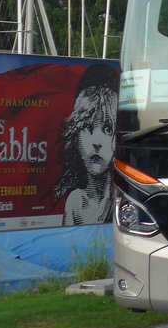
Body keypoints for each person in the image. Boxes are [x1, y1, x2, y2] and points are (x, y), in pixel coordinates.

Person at [51, 63, 118, 224]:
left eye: (108, 129)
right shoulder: (75, 202)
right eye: (87, 127)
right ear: (75, 134)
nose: (97, 142)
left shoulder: (121, 199)